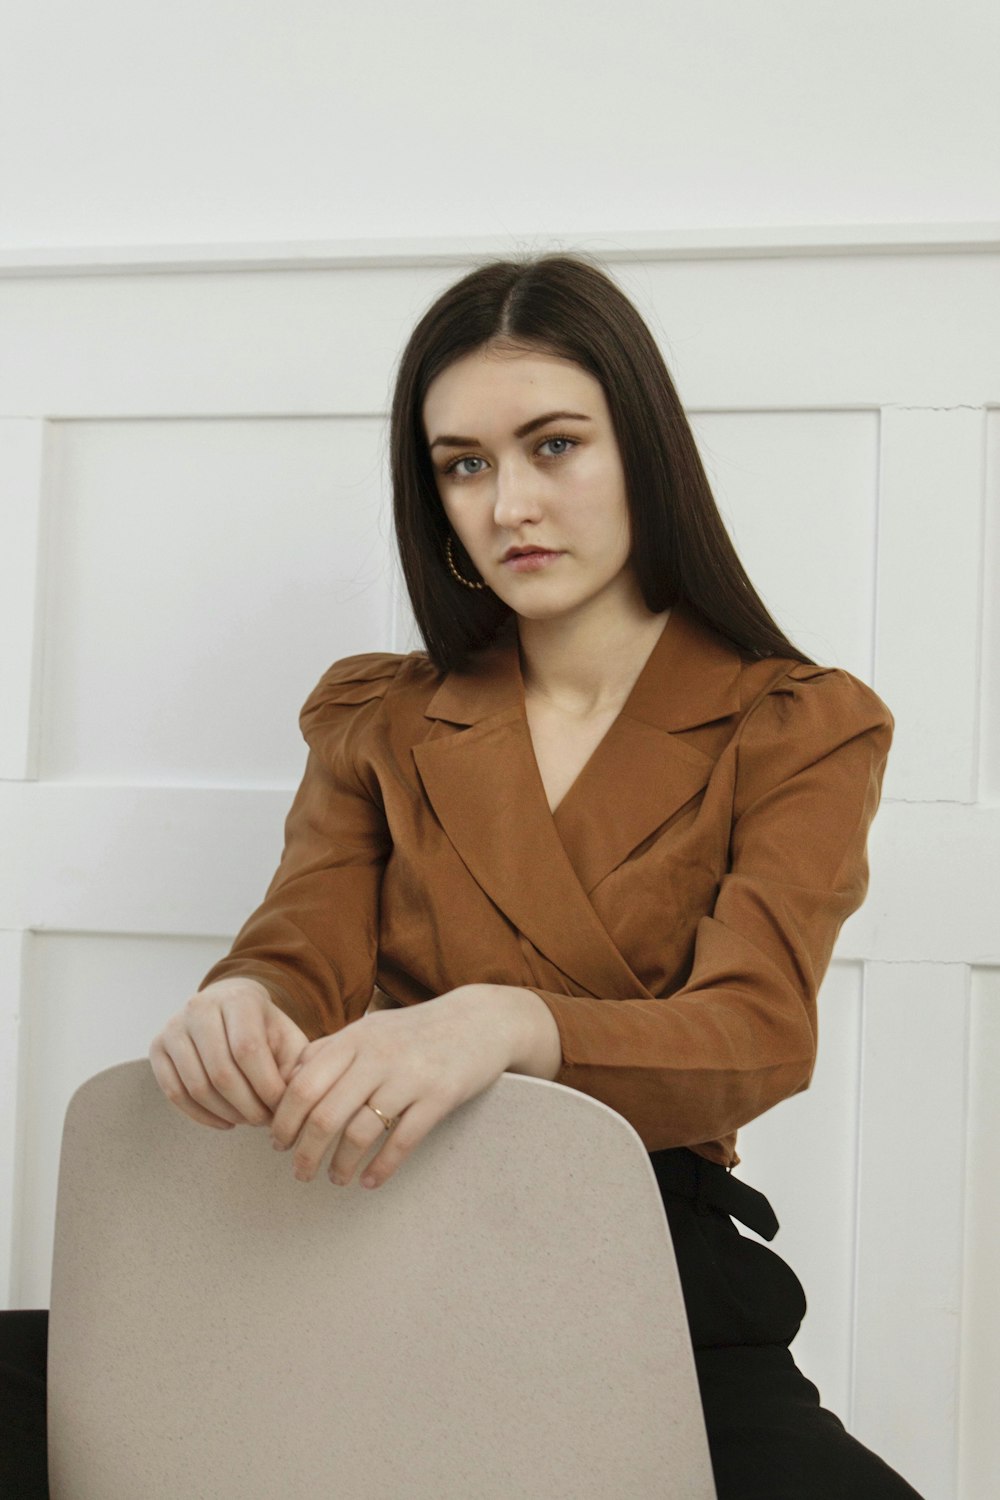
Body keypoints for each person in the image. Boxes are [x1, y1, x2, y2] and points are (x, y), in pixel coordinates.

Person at [1, 253, 925, 1499]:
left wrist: (508, 1024)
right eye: (465, 465)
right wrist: (241, 1009)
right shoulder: (379, 715)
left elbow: (756, 1035)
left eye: (554, 446)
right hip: (355, 1227)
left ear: (643, 450)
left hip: (638, 1258)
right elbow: (299, 949)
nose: (509, 505)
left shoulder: (800, 723)